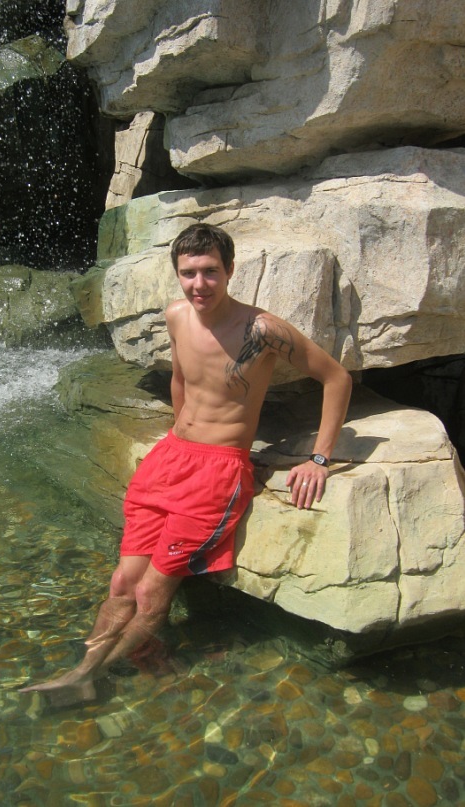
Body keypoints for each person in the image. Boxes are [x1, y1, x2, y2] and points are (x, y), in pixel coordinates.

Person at [19, 223, 352, 703]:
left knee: (152, 594)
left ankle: (92, 676)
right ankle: (84, 669)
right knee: (122, 581)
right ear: (177, 274)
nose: (199, 284)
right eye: (189, 273)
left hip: (219, 470)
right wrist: (179, 438)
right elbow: (179, 380)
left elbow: (336, 378)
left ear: (230, 270)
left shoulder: (263, 330)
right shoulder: (177, 316)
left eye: (210, 271)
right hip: (170, 459)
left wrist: (319, 458)